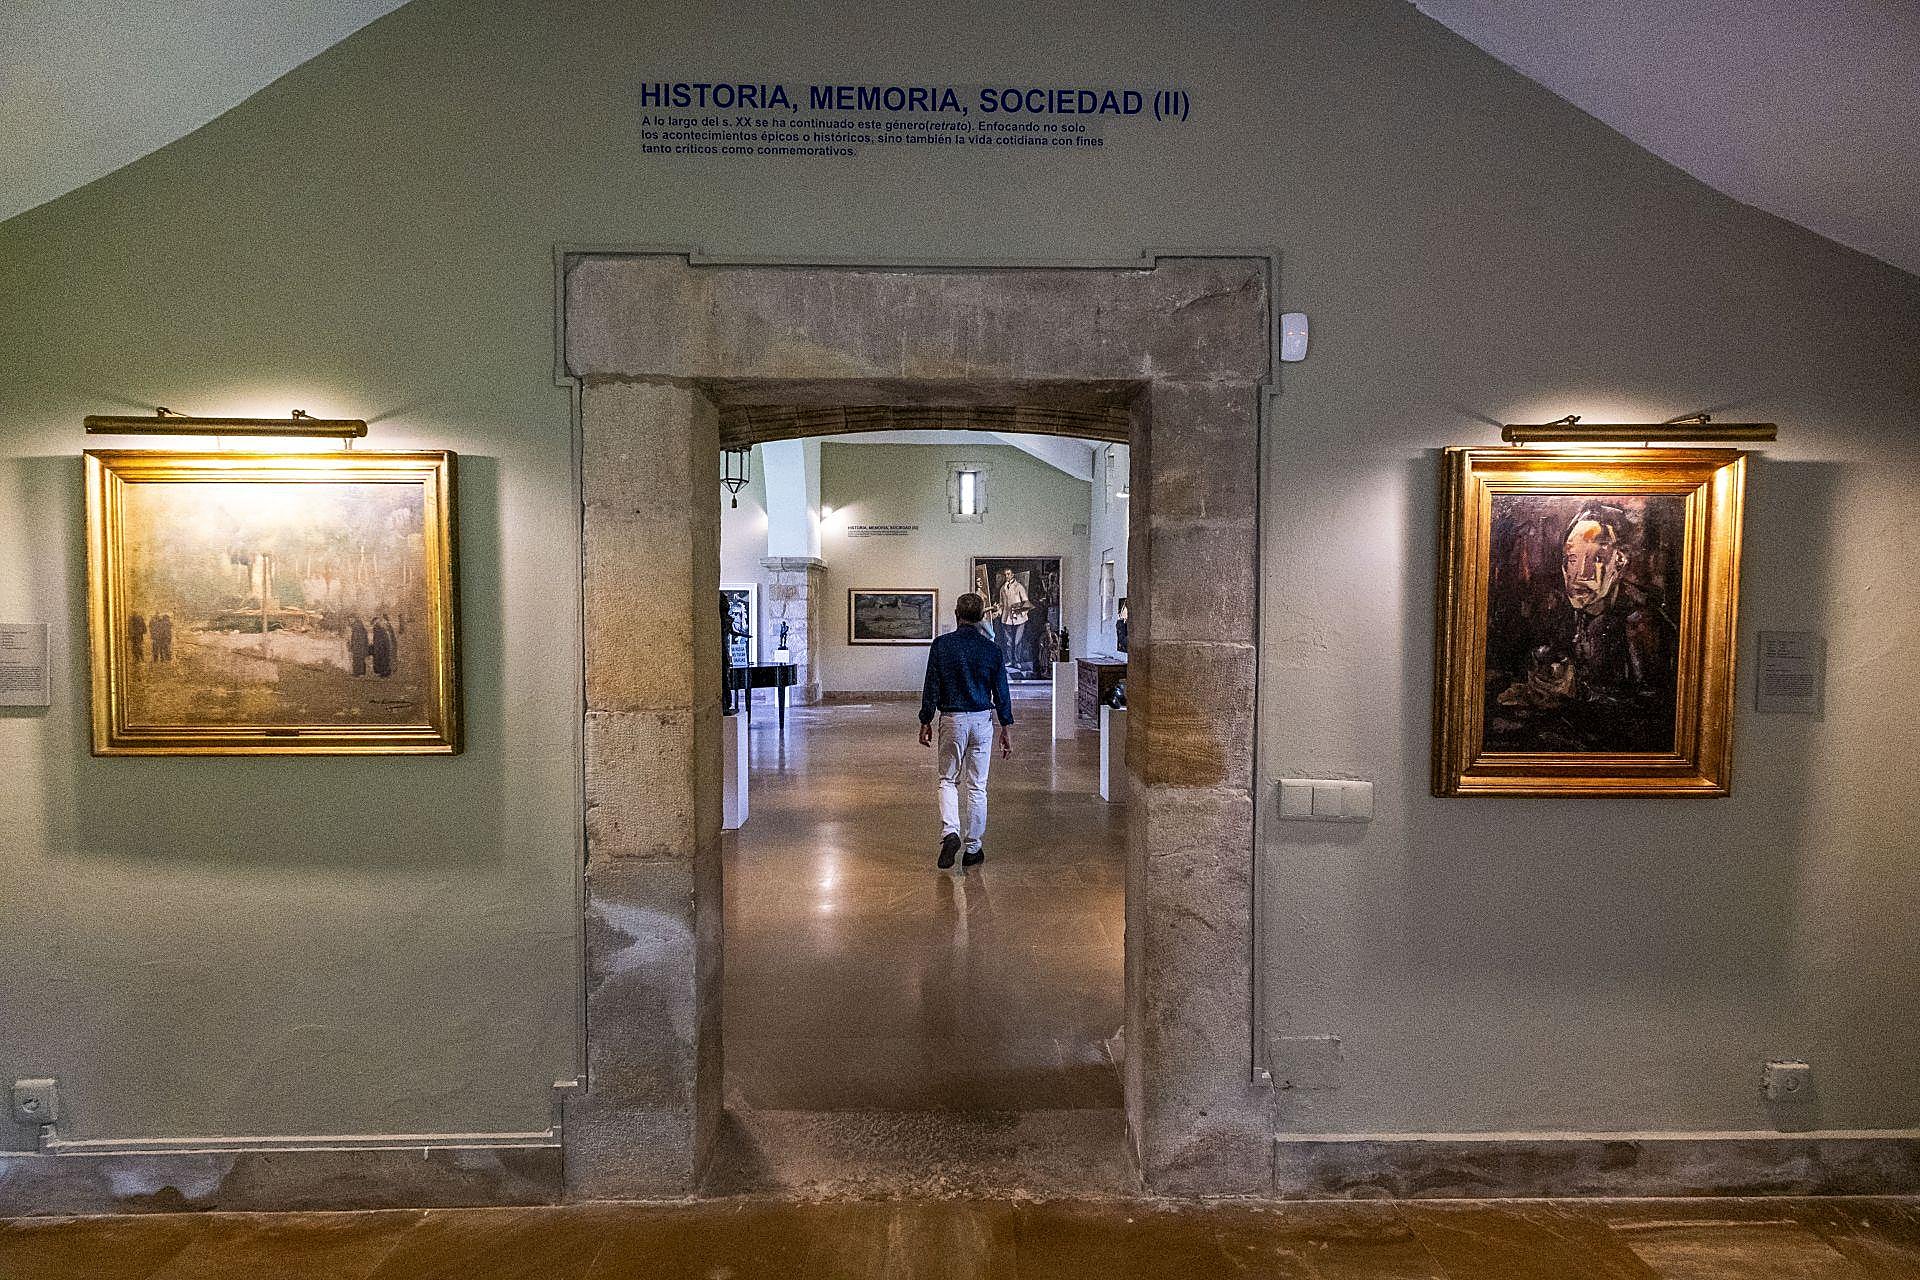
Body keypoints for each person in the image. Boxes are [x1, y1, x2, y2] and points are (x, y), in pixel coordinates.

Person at [917, 592, 1013, 870]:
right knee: (977, 785)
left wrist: (926, 719)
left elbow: (931, 685)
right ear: (982, 617)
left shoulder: (942, 645)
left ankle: (950, 833)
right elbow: (1002, 692)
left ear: (956, 614)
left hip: (952, 718)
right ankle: (973, 848)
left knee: (948, 779)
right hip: (982, 720)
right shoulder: (991, 650)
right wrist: (1005, 726)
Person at [993, 567, 1031, 676]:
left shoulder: (1019, 587)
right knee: (1008, 642)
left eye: (1008, 574)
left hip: (1019, 618)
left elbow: (1026, 602)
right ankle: (1010, 661)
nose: (1007, 576)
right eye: (1005, 575)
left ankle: (1017, 661)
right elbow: (1001, 604)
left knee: (1017, 641)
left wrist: (1020, 611)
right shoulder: (1002, 589)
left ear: (1013, 574)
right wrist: (998, 612)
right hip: (1006, 618)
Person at [370, 614, 396, 678]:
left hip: (381, 647)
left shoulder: (378, 628)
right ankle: (384, 673)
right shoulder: (380, 628)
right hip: (383, 646)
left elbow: (379, 639)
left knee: (383, 660)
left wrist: (377, 647)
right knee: (384, 659)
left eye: (374, 623)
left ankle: (384, 673)